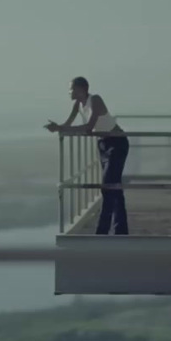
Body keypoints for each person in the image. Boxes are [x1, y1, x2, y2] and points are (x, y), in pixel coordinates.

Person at [45, 77, 129, 235]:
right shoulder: (77, 104)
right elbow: (68, 124)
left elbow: (89, 128)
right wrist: (57, 127)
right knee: (114, 187)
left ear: (81, 89)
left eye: (72, 89)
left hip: (117, 143)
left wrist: (61, 129)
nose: (69, 92)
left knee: (108, 186)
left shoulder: (95, 100)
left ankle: (102, 232)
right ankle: (121, 230)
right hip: (103, 144)